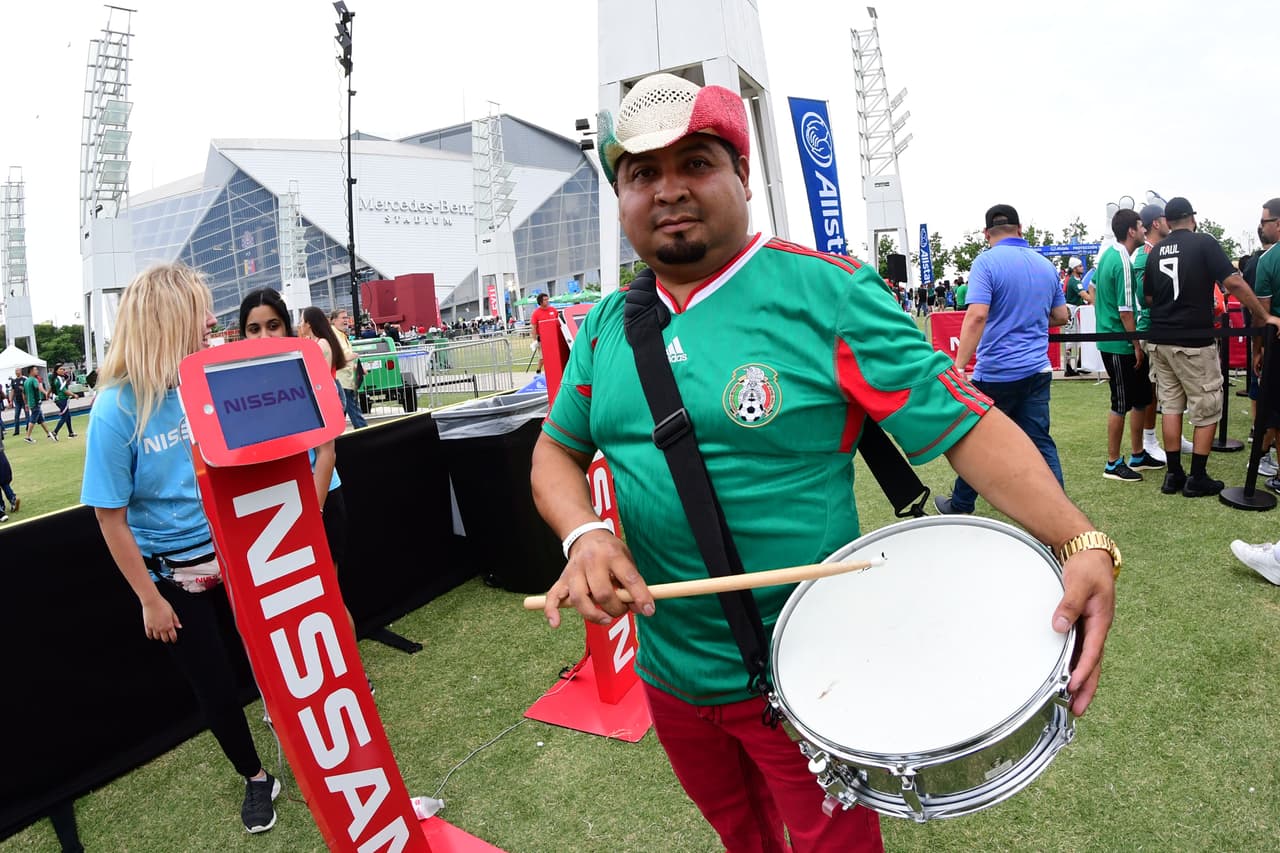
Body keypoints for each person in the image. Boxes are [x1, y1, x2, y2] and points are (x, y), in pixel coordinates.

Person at [530, 73, 1116, 853]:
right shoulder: (607, 323)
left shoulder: (823, 292)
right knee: (739, 834)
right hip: (669, 671)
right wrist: (584, 534)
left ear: (743, 175)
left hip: (810, 678)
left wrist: (1079, 536)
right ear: (622, 198)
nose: (668, 190)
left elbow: (963, 424)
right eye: (642, 174)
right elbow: (555, 450)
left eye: (696, 163)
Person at [80, 264, 282, 834]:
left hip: (243, 555)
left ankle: (305, 748)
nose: (215, 321)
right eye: (201, 310)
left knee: (269, 662)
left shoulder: (205, 380)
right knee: (215, 688)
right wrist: (149, 598)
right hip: (175, 578)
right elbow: (108, 517)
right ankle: (256, 778)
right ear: (168, 321)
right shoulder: (114, 410)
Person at [934, 203, 1068, 515]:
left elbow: (977, 315)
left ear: (986, 234)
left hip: (996, 373)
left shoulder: (986, 263)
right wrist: (1028, 318)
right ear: (1020, 230)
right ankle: (1059, 512)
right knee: (1040, 441)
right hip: (1036, 370)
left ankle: (961, 504)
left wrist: (957, 366)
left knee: (978, 443)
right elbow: (1060, 315)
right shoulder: (1044, 265)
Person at [1143, 197, 1280, 496]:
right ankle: (1197, 477)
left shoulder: (1154, 253)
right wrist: (1264, 314)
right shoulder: (1203, 243)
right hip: (1193, 340)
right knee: (1207, 407)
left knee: (1171, 407)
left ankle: (1174, 474)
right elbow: (1233, 283)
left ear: (1167, 221)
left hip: (1160, 339)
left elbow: (1149, 299)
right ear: (1191, 218)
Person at [242, 293, 358, 638]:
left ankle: (352, 682)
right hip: (271, 515)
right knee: (292, 609)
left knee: (327, 599)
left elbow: (326, 453)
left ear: (287, 327)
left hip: (317, 503)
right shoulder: (236, 387)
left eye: (273, 325)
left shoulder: (308, 373)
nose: (264, 336)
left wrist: (309, 514)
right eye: (254, 328)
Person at [1092, 209, 1162, 481]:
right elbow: (1125, 311)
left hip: (1115, 339)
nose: (1144, 229)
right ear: (1131, 230)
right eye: (1140, 226)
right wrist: (1135, 344)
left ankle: (1137, 453)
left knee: (1142, 398)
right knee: (1120, 402)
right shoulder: (1120, 258)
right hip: (1117, 342)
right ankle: (1112, 463)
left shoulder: (1110, 255)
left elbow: (1096, 290)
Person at [1133, 203, 1173, 463]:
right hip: (1149, 329)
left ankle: (1165, 435)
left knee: (1168, 387)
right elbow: (1143, 297)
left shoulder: (1156, 251)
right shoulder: (1144, 255)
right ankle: (1149, 439)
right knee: (1153, 388)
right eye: (1165, 218)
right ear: (1156, 223)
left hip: (1160, 328)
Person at [1251, 198, 1280, 491]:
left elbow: (1261, 314)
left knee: (1276, 411)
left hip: (1277, 344)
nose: (1262, 227)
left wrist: (1257, 350)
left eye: (1265, 221)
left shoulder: (1268, 260)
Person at [328, 308, 368, 429]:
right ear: (334, 320)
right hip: (342, 379)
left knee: (344, 411)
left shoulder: (340, 334)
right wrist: (351, 356)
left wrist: (357, 367)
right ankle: (364, 433)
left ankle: (336, 434)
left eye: (347, 317)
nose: (346, 320)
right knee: (353, 411)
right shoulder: (334, 335)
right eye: (343, 318)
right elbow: (338, 355)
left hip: (346, 379)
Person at [23, 365, 55, 443]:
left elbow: (24, 393)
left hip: (31, 403)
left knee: (41, 419)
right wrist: (46, 393)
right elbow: (39, 388)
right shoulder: (34, 380)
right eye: (35, 370)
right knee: (33, 419)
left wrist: (26, 404)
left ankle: (48, 433)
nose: (37, 371)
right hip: (35, 402)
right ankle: (28, 436)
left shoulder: (26, 381)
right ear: (31, 371)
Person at [529, 293, 560, 373]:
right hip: (542, 338)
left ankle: (555, 371)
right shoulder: (536, 313)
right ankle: (538, 370)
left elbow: (558, 322)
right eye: (545, 300)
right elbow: (534, 328)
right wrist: (534, 340)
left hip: (554, 337)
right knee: (543, 357)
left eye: (547, 299)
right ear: (540, 302)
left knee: (555, 355)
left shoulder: (553, 310)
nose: (547, 301)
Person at [50, 363, 78, 439]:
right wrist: (73, 395)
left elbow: (52, 387)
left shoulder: (55, 378)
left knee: (68, 416)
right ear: (56, 371)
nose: (63, 370)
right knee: (64, 416)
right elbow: (64, 390)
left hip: (58, 399)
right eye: (60, 369)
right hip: (61, 399)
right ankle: (55, 432)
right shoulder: (59, 378)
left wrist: (47, 393)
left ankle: (71, 433)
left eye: (63, 369)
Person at [9, 368, 28, 436]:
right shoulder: (14, 381)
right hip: (17, 400)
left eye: (17, 371)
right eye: (15, 371)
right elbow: (12, 391)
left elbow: (27, 389)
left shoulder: (25, 379)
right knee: (16, 415)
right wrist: (10, 400)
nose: (16, 372)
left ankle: (28, 428)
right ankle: (17, 431)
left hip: (24, 400)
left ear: (21, 371)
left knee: (27, 414)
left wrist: (23, 389)